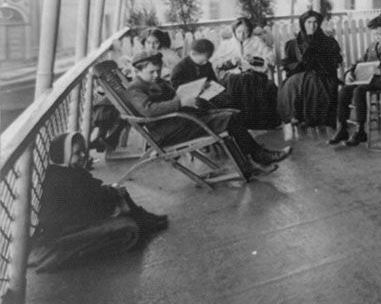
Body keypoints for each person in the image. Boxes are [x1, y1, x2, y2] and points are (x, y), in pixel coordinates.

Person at [126, 51, 290, 174]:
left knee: (234, 113)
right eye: (152, 72)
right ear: (138, 71)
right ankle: (256, 158)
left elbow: (174, 95)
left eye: (158, 71)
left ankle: (251, 162)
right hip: (170, 130)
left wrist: (190, 94)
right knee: (230, 118)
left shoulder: (156, 81)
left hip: (181, 121)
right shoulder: (135, 88)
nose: (156, 75)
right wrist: (181, 102)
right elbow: (148, 110)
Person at [27, 132, 167, 273]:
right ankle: (143, 220)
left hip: (73, 216)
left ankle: (145, 219)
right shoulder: (66, 179)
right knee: (120, 204)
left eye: (83, 151)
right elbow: (86, 206)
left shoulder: (64, 172)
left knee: (118, 192)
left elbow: (87, 198)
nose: (82, 156)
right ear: (64, 155)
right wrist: (110, 199)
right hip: (67, 226)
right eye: (77, 153)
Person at [329, 15, 381, 146]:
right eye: (375, 34)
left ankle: (360, 130)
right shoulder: (373, 46)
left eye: (380, 33)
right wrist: (350, 72)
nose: (377, 37)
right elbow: (359, 62)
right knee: (344, 90)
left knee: (359, 91)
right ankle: (342, 128)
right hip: (368, 80)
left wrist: (380, 72)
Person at [277, 10, 343, 131]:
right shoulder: (293, 44)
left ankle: (311, 119)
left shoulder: (328, 42)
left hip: (322, 75)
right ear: (303, 24)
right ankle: (294, 116)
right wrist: (298, 64)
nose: (312, 26)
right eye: (308, 22)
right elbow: (288, 62)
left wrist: (318, 61)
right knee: (293, 82)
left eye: (315, 22)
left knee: (312, 81)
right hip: (298, 75)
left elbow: (335, 61)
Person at [212, 17, 280, 129]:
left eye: (246, 32)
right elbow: (215, 63)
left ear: (250, 31)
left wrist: (255, 60)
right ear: (234, 31)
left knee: (245, 80)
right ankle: (239, 121)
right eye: (239, 31)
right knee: (237, 80)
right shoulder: (226, 44)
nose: (242, 35)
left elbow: (271, 58)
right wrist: (230, 62)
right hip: (231, 77)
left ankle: (252, 122)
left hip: (254, 75)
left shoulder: (256, 42)